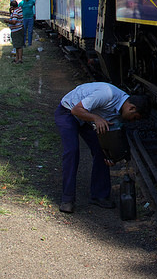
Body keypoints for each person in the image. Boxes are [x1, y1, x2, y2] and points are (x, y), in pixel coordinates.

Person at [54, 82, 151, 214]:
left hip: (87, 118)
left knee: (101, 152)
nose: (132, 121)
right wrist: (96, 118)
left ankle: (99, 195)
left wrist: (111, 156)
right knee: (72, 151)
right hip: (68, 112)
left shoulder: (121, 114)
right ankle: (67, 199)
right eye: (134, 118)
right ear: (131, 108)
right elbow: (76, 110)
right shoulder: (107, 94)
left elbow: (108, 138)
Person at [8, 0, 24, 64]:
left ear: (12, 7)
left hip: (17, 30)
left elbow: (14, 21)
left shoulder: (15, 12)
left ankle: (19, 59)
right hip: (18, 29)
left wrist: (7, 21)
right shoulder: (19, 10)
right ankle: (17, 58)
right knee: (17, 45)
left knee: (18, 45)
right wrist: (10, 12)